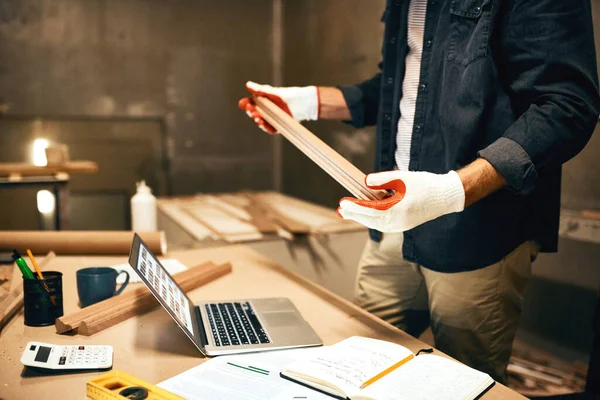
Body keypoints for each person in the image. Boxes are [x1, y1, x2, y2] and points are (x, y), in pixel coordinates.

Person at [238, 0, 600, 383]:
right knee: (354, 367)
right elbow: (403, 87)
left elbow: (567, 106)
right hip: (394, 221)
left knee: (460, 382)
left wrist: (449, 192)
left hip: (478, 231)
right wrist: (305, 102)